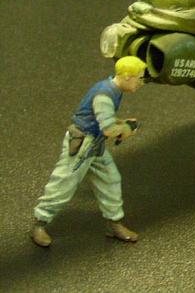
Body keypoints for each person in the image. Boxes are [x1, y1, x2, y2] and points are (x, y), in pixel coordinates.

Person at [31, 56, 147, 247]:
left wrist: (121, 123)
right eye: (139, 78)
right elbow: (108, 129)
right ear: (127, 76)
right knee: (63, 184)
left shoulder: (113, 90)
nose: (140, 83)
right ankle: (40, 223)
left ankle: (114, 223)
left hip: (95, 143)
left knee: (110, 180)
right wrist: (125, 128)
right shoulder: (104, 95)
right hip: (83, 144)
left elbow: (103, 120)